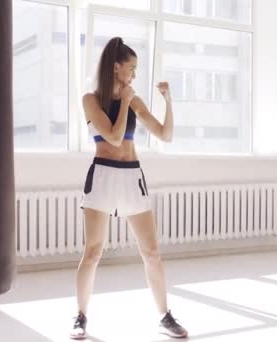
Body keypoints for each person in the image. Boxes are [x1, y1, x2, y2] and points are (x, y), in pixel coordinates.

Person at [71, 37, 187, 339]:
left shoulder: (134, 100)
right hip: (103, 177)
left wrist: (169, 102)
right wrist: (123, 101)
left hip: (131, 176)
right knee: (93, 252)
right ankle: (81, 316)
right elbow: (111, 136)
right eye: (131, 69)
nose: (134, 75)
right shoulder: (91, 99)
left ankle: (165, 316)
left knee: (151, 252)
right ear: (116, 67)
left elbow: (165, 134)